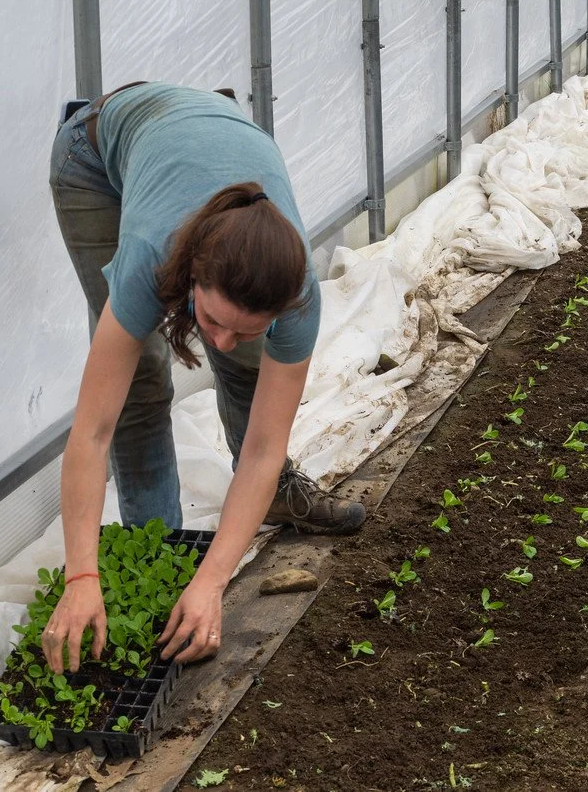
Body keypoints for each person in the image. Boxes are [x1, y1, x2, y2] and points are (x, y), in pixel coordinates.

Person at [42, 82, 366, 674]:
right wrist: (81, 575)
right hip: (90, 160)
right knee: (138, 383)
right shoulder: (149, 255)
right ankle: (154, 549)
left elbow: (266, 449)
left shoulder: (297, 297)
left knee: (247, 369)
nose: (215, 341)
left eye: (243, 326)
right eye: (210, 318)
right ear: (191, 273)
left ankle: (272, 509)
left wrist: (214, 582)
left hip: (199, 133)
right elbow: (91, 432)